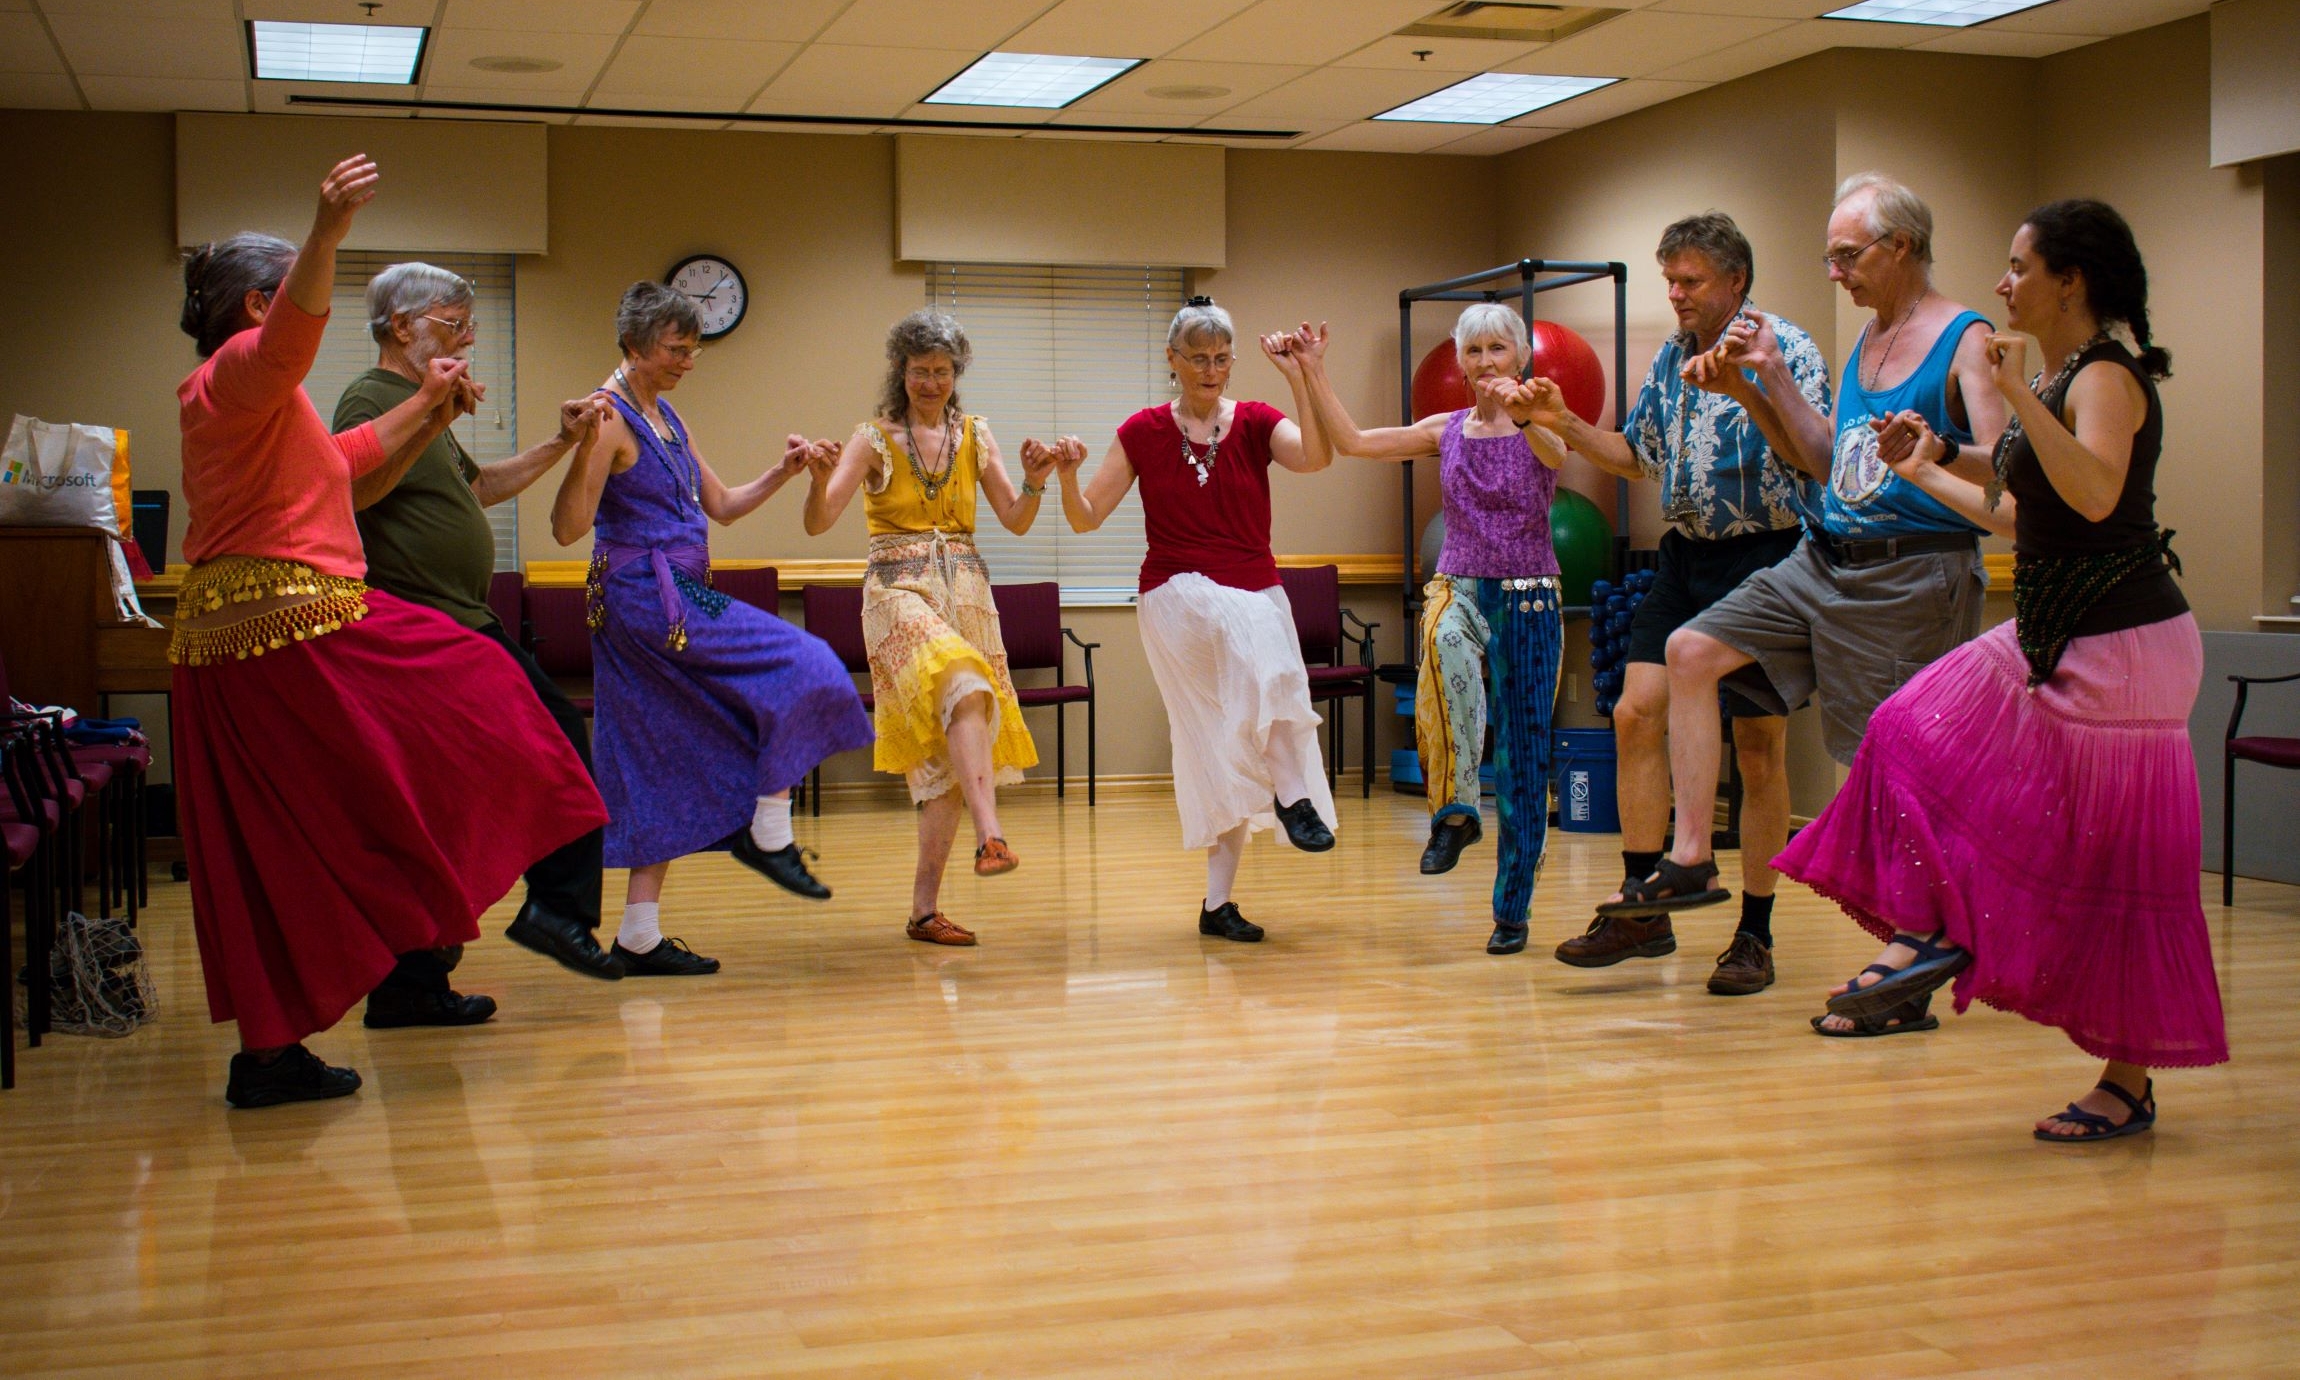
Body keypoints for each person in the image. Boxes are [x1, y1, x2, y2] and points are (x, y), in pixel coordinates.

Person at [1774, 200, 2224, 1134]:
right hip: (2056, 624)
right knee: (1904, 730)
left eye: (2020, 267)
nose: (2003, 282)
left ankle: (2128, 1080)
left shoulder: (2105, 376)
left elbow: (2095, 492)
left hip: (2126, 644)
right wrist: (1926, 465)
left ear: (2072, 281)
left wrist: (2015, 395)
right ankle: (1937, 923)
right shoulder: (2060, 378)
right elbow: (2024, 515)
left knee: (2125, 871)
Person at [172, 155, 606, 1108]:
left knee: (283, 845)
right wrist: (325, 231)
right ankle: (444, 930)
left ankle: (274, 1052)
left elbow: (343, 464)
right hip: (293, 626)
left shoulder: (254, 407)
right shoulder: (237, 379)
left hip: (245, 638)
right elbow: (290, 344)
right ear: (257, 305)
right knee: (486, 696)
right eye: (284, 292)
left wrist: (432, 401)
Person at [1595, 175, 2007, 1031]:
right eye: (1828, 256)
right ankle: (1691, 860)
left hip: (1908, 567)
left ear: (1901, 247)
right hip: (1824, 556)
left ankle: (1911, 948)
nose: (1834, 272)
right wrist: (1761, 383)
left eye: (1847, 255)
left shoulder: (1963, 340)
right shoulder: (1864, 343)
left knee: (1885, 771)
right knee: (1689, 653)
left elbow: (2003, 477)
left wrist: (1934, 454)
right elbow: (1824, 458)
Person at [1511, 213, 1831, 994]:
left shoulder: (1783, 350)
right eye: (1671, 281)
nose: (1677, 295)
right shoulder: (1670, 358)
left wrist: (1752, 392)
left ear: (1735, 282)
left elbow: (1811, 457)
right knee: (1633, 713)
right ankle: (1642, 907)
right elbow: (1637, 458)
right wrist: (1566, 426)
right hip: (1685, 557)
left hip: (1767, 555)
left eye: (1690, 281)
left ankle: (1753, 933)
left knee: (1757, 746)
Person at [550, 282, 873, 975]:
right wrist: (577, 448)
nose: (688, 360)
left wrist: (784, 474)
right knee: (804, 662)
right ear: (634, 348)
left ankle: (638, 933)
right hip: (647, 598)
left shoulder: (665, 416)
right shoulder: (609, 419)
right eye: (676, 349)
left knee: (649, 755)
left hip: (664, 595)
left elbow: (721, 505)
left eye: (693, 348)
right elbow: (569, 527)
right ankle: (767, 825)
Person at [335, 262, 624, 1015]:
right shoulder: (372, 398)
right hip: (420, 629)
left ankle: (413, 984)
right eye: (453, 323)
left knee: (439, 807)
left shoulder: (414, 403)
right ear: (402, 327)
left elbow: (478, 489)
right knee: (554, 747)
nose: (466, 339)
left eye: (469, 326)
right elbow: (354, 489)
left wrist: (561, 442)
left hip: (461, 621)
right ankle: (554, 909)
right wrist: (432, 410)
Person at [1054, 298, 1335, 942]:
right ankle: (1292, 794)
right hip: (1177, 596)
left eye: (1220, 359)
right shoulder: (1143, 432)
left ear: (1232, 362)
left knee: (1225, 743)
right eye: (1197, 359)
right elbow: (1084, 517)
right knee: (1242, 630)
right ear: (1172, 362)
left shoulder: (1258, 423)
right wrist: (1068, 477)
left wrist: (1301, 376)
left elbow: (1316, 457)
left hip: (1257, 592)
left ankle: (1217, 905)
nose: (1210, 370)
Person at [1295, 305, 1571, 956]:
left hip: (1529, 592)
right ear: (1460, 361)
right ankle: (1456, 813)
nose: (1485, 363)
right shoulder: (1443, 430)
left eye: (1498, 349)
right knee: (1442, 649)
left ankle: (1512, 909)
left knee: (1527, 753)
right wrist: (1312, 372)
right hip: (1459, 582)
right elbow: (1357, 442)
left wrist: (1526, 410)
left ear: (1522, 356)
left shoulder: (1546, 419)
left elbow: (1554, 448)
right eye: (1472, 351)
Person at [802, 310, 1051, 946]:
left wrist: (1035, 480)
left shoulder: (975, 434)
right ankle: (991, 830)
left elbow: (1016, 518)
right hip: (897, 593)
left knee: (955, 738)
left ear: (956, 373)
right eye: (920, 371)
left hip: (965, 592)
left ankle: (923, 910)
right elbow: (820, 520)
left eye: (942, 372)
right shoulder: (873, 437)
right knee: (964, 679)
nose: (931, 382)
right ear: (901, 371)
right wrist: (812, 479)